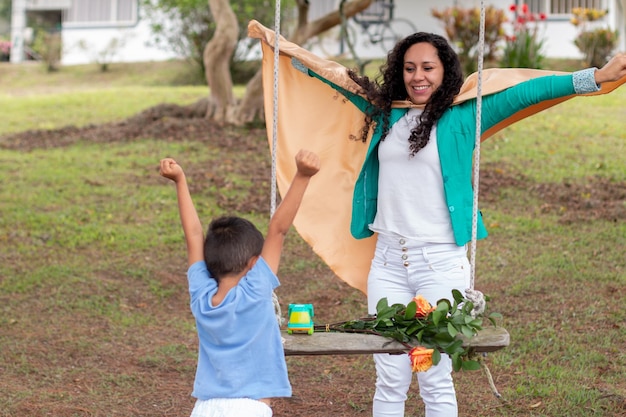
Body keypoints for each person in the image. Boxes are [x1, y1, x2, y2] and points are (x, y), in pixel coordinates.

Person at [248, 21, 626, 417]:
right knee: (390, 373)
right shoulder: (385, 114)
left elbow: (526, 92)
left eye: (428, 67)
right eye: (410, 68)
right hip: (389, 263)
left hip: (440, 265)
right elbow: (336, 82)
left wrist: (596, 78)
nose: (418, 76)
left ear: (445, 70)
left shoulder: (465, 117)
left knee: (432, 371)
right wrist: (280, 50)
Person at [159, 149, 321, 417]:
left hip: (204, 408)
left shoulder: (202, 296)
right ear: (254, 263)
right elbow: (278, 230)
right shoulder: (256, 289)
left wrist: (180, 180)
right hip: (251, 407)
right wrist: (303, 175)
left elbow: (194, 235)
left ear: (209, 263)